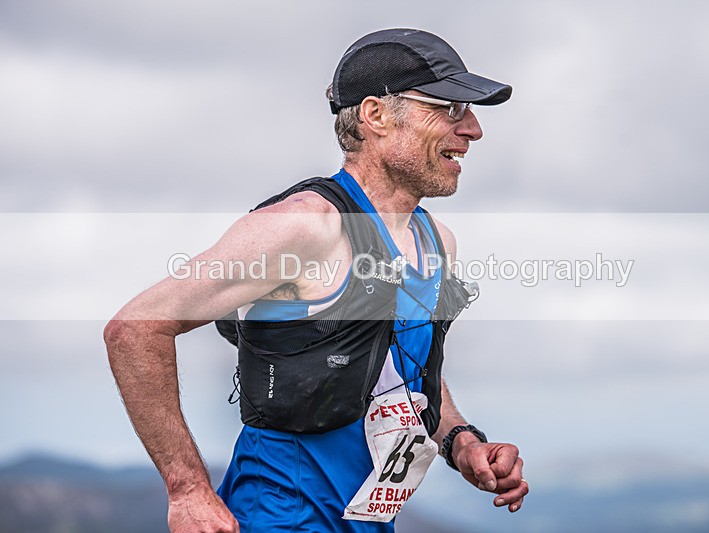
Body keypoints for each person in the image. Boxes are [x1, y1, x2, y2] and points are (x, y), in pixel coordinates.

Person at [105, 28, 527, 532]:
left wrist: (464, 444)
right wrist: (188, 489)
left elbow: (405, 374)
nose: (474, 129)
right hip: (276, 519)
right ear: (375, 116)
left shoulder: (437, 241)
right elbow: (134, 329)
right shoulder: (305, 226)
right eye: (449, 108)